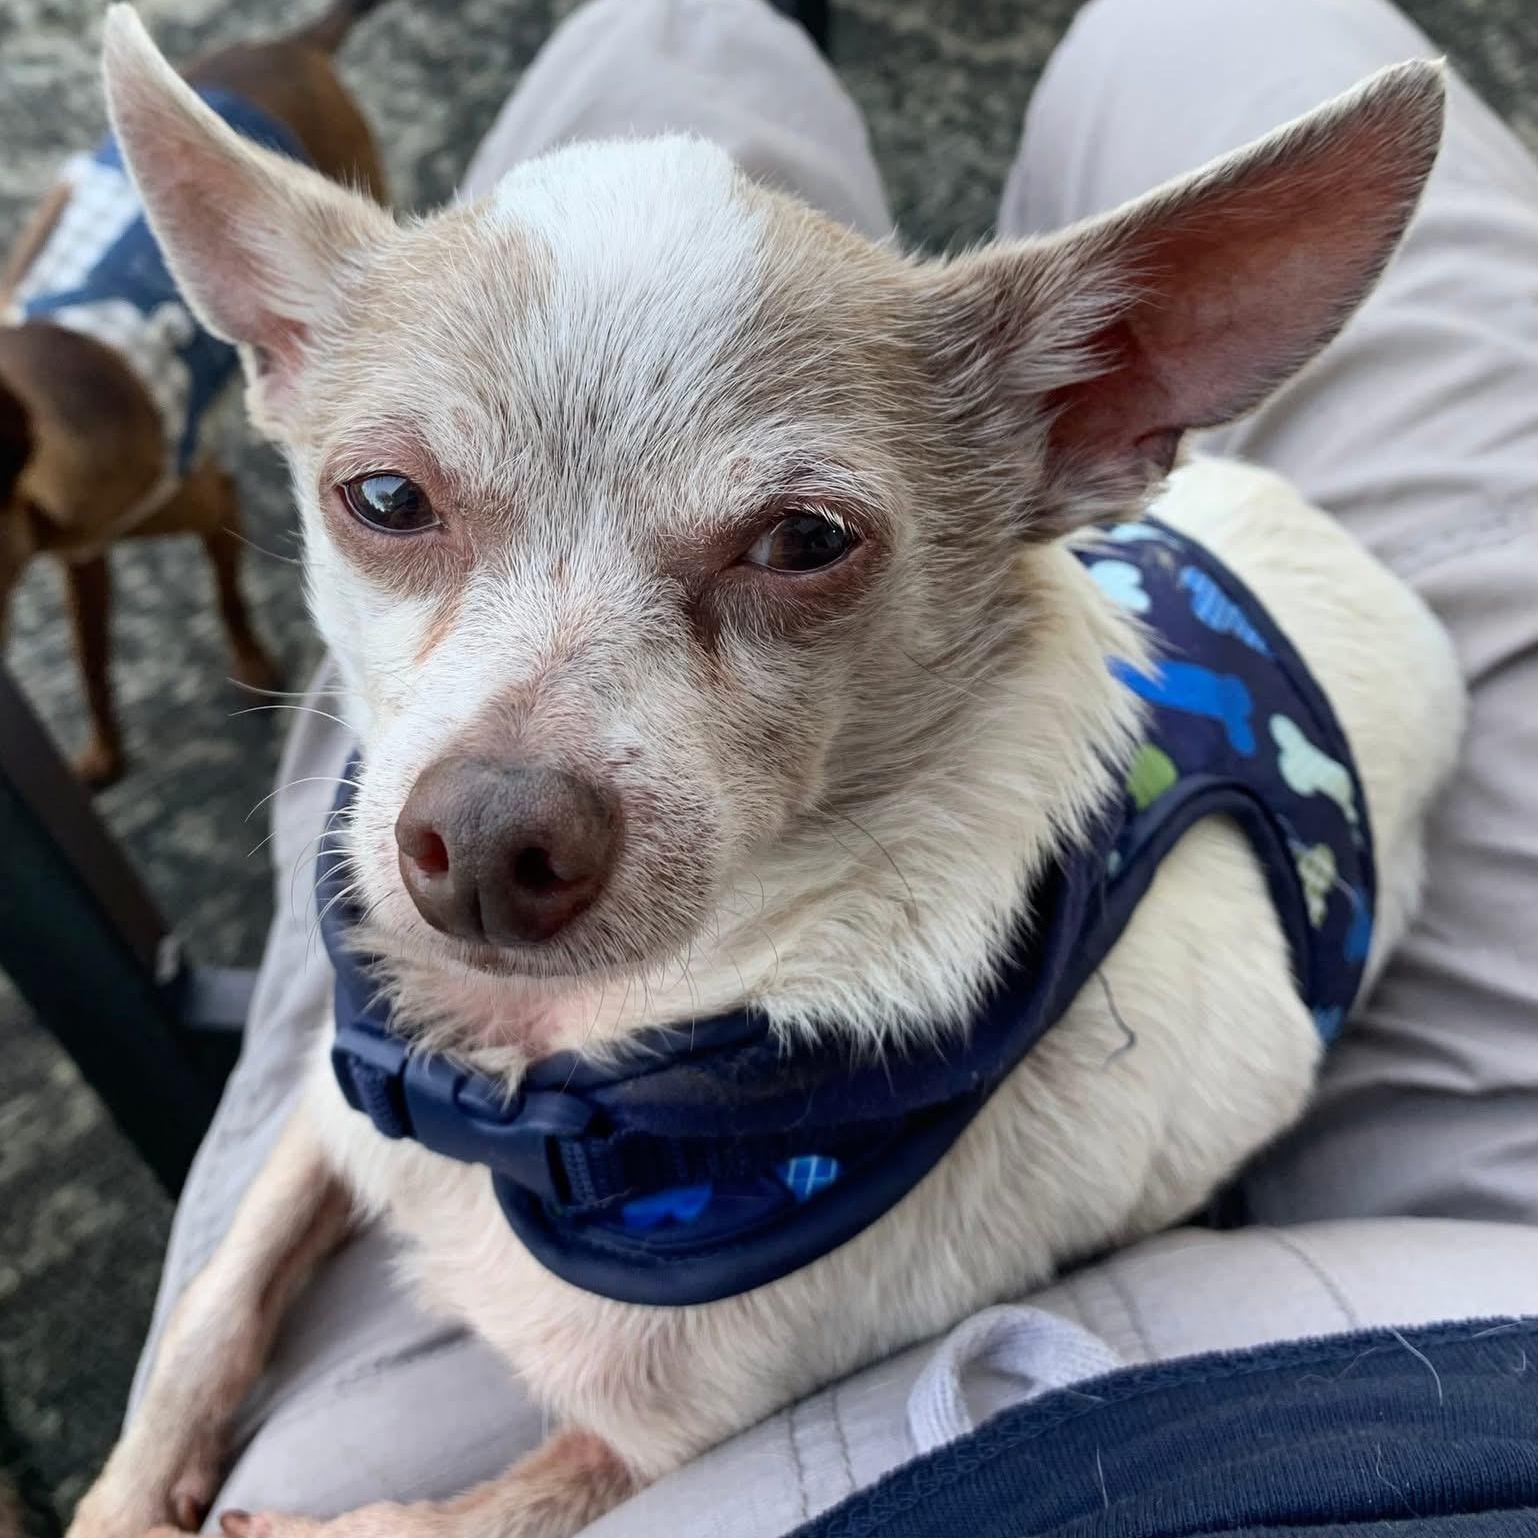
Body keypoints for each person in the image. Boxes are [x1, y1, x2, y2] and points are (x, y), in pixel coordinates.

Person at [128, 0, 1538, 1530]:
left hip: (1307, 714)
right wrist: (187, 1388)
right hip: (1225, 589)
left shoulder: (797, 1261)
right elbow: (359, 1099)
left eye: (797, 541)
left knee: (669, 30)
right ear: (277, 349)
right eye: (394, 502)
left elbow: (619, 1451)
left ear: (1087, 413)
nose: (496, 782)